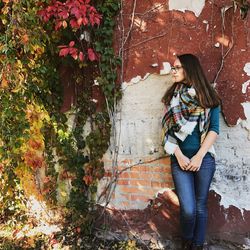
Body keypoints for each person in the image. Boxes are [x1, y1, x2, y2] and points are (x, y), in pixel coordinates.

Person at [161, 54, 220, 250]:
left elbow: (214, 129)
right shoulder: (172, 98)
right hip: (179, 159)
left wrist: (199, 156)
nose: (173, 70)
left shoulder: (209, 96)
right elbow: (167, 132)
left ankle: (197, 245)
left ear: (189, 69)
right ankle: (186, 240)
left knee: (201, 206)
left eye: (177, 67)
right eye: (173, 67)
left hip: (204, 159)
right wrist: (179, 155)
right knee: (188, 209)